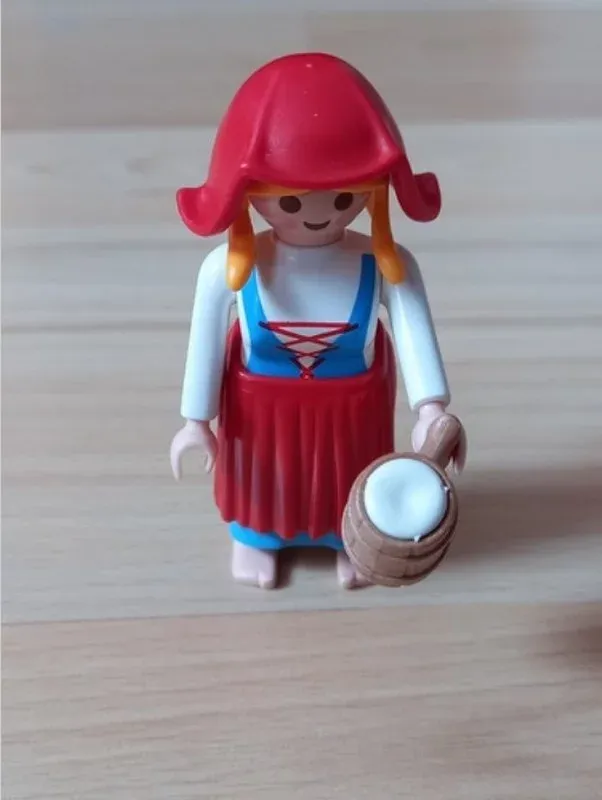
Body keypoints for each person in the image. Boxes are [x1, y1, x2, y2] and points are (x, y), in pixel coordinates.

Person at [170, 52, 465, 590]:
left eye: (344, 196)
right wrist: (196, 422)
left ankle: (351, 536)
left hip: (351, 411)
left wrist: (431, 410)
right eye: (290, 201)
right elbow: (205, 343)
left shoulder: (385, 264)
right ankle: (257, 537)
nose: (319, 212)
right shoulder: (228, 269)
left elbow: (414, 335)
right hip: (260, 414)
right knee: (264, 483)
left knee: (347, 482)